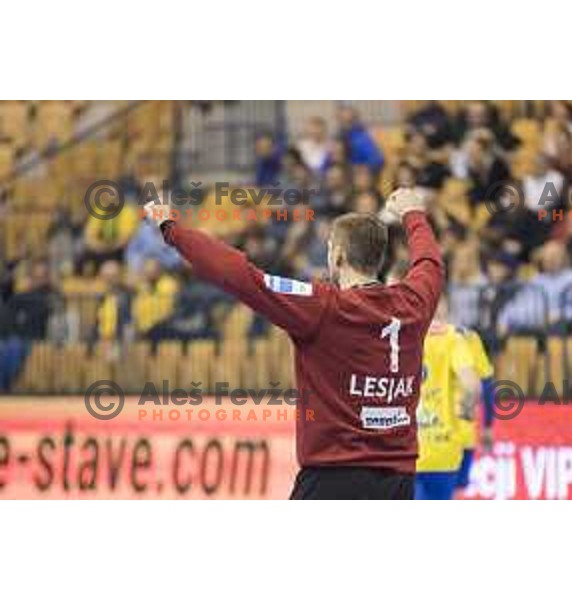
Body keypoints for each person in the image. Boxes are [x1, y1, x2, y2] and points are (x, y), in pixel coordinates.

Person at [145, 187, 444, 500]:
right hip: (398, 483)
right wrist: (414, 214)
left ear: (337, 255)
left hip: (333, 479)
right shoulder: (415, 302)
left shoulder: (323, 306)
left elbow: (239, 275)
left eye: (330, 247)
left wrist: (172, 229)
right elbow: (430, 263)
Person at [415, 295, 480, 500]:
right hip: (444, 449)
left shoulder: (401, 335)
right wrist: (468, 410)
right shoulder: (454, 339)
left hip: (406, 450)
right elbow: (472, 385)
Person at [454, 327, 495, 495]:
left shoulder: (470, 338)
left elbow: (487, 385)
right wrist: (487, 426)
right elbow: (486, 384)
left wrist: (487, 425)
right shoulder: (468, 338)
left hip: (450, 435)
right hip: (456, 436)